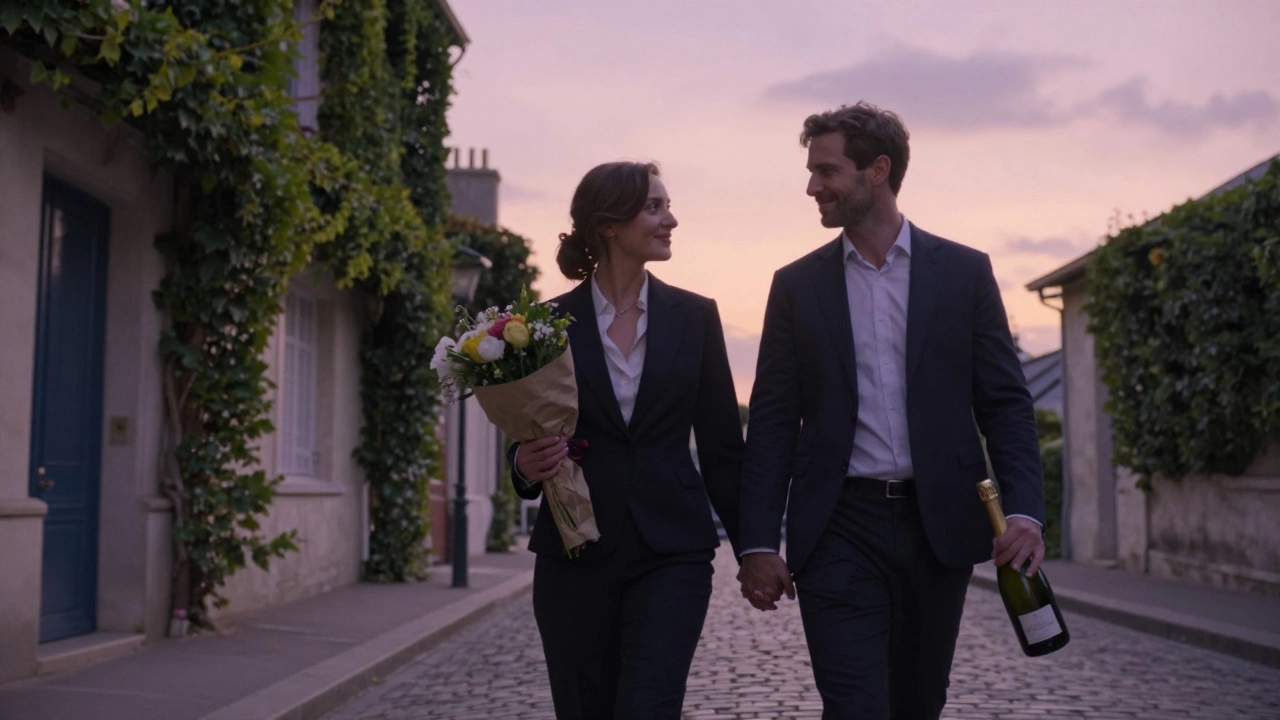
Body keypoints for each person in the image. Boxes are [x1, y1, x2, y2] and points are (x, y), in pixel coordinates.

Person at [736, 102, 1047, 720]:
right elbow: (772, 422)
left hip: (940, 526)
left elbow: (1005, 403)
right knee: (854, 705)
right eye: (811, 171)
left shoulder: (964, 273)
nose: (812, 187)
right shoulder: (796, 287)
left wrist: (1025, 511)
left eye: (827, 170)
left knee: (917, 702)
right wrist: (757, 543)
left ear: (877, 170)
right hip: (838, 526)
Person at [509, 161, 744, 720]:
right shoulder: (545, 325)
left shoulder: (696, 317)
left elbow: (722, 449)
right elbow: (525, 431)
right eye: (654, 208)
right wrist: (522, 464)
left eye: (668, 207)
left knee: (650, 705)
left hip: (674, 552)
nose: (671, 220)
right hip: (575, 552)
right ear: (609, 224)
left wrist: (754, 549)